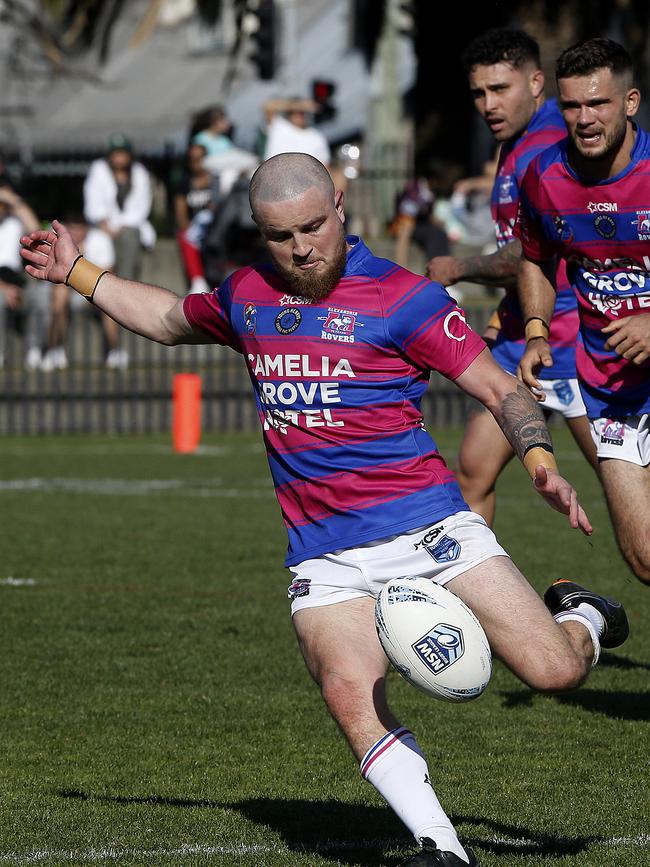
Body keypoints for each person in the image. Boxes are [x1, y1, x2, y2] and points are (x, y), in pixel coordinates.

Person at [21, 153, 629, 867]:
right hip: (324, 554)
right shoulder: (247, 293)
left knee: (555, 672)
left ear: (339, 205)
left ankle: (583, 615)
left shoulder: (403, 298)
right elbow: (164, 317)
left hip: (430, 525)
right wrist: (77, 273)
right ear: (260, 231)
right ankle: (441, 846)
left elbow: (500, 390)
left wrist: (539, 460)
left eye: (313, 226)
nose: (301, 247)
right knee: (347, 688)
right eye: (281, 235)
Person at [426, 29, 597, 526]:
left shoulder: (547, 146)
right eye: (479, 92)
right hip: (524, 338)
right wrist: (506, 317)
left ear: (537, 82)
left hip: (573, 338)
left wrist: (458, 268)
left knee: (627, 489)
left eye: (501, 89)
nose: (488, 104)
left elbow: (530, 251)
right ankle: (478, 601)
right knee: (472, 472)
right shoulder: (514, 144)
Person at [517, 38, 650, 586]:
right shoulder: (543, 178)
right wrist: (535, 331)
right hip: (610, 386)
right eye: (572, 106)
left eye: (599, 103)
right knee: (643, 559)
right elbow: (535, 260)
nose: (584, 118)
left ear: (630, 102)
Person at [41, 215, 122, 371]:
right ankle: (53, 349)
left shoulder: (100, 240)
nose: (76, 233)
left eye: (80, 228)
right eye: (73, 228)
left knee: (109, 301)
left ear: (87, 228)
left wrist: (81, 262)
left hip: (92, 289)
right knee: (59, 296)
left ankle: (115, 350)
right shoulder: (56, 238)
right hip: (63, 289)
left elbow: (108, 275)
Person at [173, 142, 221, 295]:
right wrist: (187, 226)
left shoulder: (217, 180)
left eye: (200, 158)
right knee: (186, 236)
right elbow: (180, 213)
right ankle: (197, 281)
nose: (197, 162)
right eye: (192, 159)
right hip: (194, 229)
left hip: (215, 226)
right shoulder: (184, 183)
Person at [0, 185, 40, 368]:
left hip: (16, 279)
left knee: (39, 296)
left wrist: (13, 200)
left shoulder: (14, 223)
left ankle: (34, 350)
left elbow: (35, 229)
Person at [262, 97, 331, 166]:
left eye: (302, 112)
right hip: (273, 174)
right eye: (296, 112)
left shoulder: (317, 136)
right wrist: (300, 105)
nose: (300, 114)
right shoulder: (279, 125)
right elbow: (268, 106)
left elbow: (325, 166)